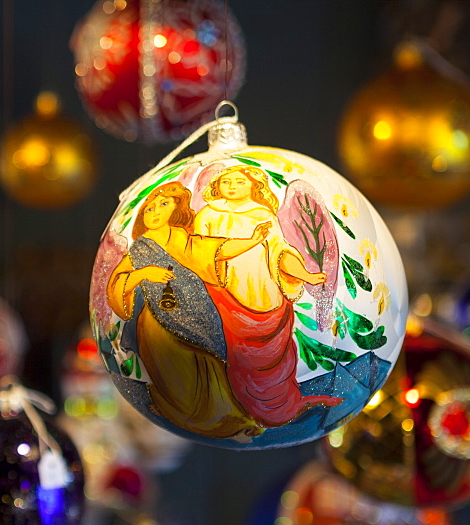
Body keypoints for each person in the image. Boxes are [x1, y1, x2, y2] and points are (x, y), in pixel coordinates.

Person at [107, 181, 272, 442]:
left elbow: (215, 250)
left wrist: (252, 241)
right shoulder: (139, 247)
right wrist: (142, 273)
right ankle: (187, 418)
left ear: (175, 210)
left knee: (208, 366)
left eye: (163, 205)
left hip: (199, 311)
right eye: (149, 208)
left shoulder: (182, 238)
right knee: (175, 373)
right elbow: (117, 282)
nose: (155, 212)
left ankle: (227, 420)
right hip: (157, 323)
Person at [193, 165, 342, 428]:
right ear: (217, 185)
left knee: (274, 358)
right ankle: (239, 411)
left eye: (240, 180)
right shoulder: (207, 214)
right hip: (225, 298)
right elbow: (199, 253)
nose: (233, 185)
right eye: (227, 181)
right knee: (236, 356)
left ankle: (280, 408)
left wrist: (305, 274)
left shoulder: (263, 215)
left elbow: (279, 252)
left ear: (254, 185)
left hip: (265, 296)